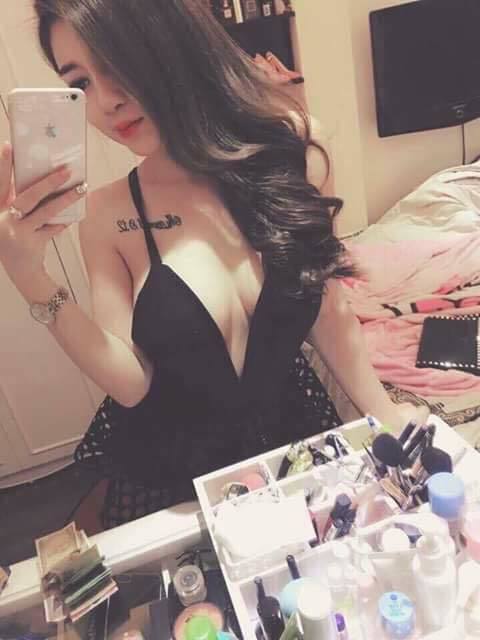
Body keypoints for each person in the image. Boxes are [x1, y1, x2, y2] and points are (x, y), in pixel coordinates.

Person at [0, 0, 426, 529]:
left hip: (292, 445)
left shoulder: (297, 152)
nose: (106, 101)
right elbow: (131, 383)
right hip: (174, 483)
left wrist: (384, 414)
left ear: (175, 39)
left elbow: (328, 307)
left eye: (117, 62)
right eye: (80, 82)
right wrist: (28, 275)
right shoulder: (109, 215)